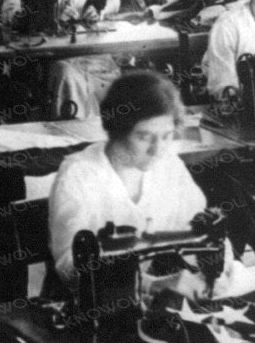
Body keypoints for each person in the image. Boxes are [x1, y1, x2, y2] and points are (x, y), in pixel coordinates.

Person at [48, 71, 209, 286]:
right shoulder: (79, 174)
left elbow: (200, 230)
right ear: (118, 130)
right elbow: (69, 267)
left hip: (153, 297)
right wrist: (152, 285)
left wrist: (216, 267)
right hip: (87, 301)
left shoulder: (169, 165)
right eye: (144, 137)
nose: (157, 150)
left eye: (166, 136)